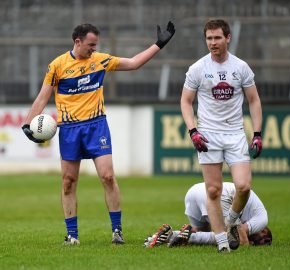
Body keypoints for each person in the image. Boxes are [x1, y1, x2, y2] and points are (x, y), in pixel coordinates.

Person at [22, 22, 175, 245]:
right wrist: (27, 125)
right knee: (68, 181)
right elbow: (42, 98)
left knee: (108, 176)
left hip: (96, 126)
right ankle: (72, 235)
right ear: (77, 42)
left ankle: (117, 231)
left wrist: (159, 44)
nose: (94, 49)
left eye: (96, 45)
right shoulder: (57, 66)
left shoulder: (101, 60)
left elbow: (133, 63)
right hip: (69, 129)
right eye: (90, 45)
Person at [180, 19, 263, 252]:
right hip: (208, 135)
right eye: (209, 38)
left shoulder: (241, 67)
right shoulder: (197, 68)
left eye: (217, 38)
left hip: (235, 133)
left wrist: (256, 133)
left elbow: (254, 100)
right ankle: (223, 243)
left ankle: (231, 222)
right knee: (213, 190)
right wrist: (193, 130)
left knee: (244, 186)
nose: (212, 43)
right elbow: (186, 102)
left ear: (228, 38)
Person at [144, 182, 272, 248]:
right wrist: (247, 243)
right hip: (217, 196)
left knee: (200, 235)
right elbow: (241, 235)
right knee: (229, 238)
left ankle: (168, 235)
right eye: (263, 235)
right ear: (264, 230)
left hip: (194, 191)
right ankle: (186, 237)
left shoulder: (255, 212)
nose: (261, 238)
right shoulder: (262, 219)